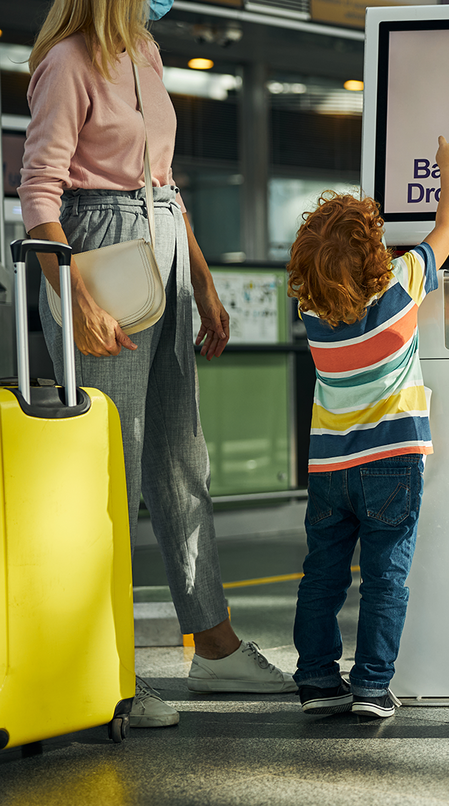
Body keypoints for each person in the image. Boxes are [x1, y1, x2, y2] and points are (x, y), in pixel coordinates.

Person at [18, 0, 296, 729]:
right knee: (110, 476)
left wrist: (202, 280)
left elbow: (163, 182)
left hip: (164, 247)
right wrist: (72, 295)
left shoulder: (143, 47)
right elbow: (38, 194)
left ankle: (213, 642)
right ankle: (105, 667)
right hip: (99, 258)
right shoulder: (69, 60)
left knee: (182, 462)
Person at [287, 136, 449, 719]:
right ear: (374, 257)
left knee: (323, 576)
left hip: (329, 468)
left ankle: (316, 679)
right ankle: (370, 686)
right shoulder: (398, 289)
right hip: (392, 459)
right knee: (386, 577)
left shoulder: (310, 312)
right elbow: (448, 225)